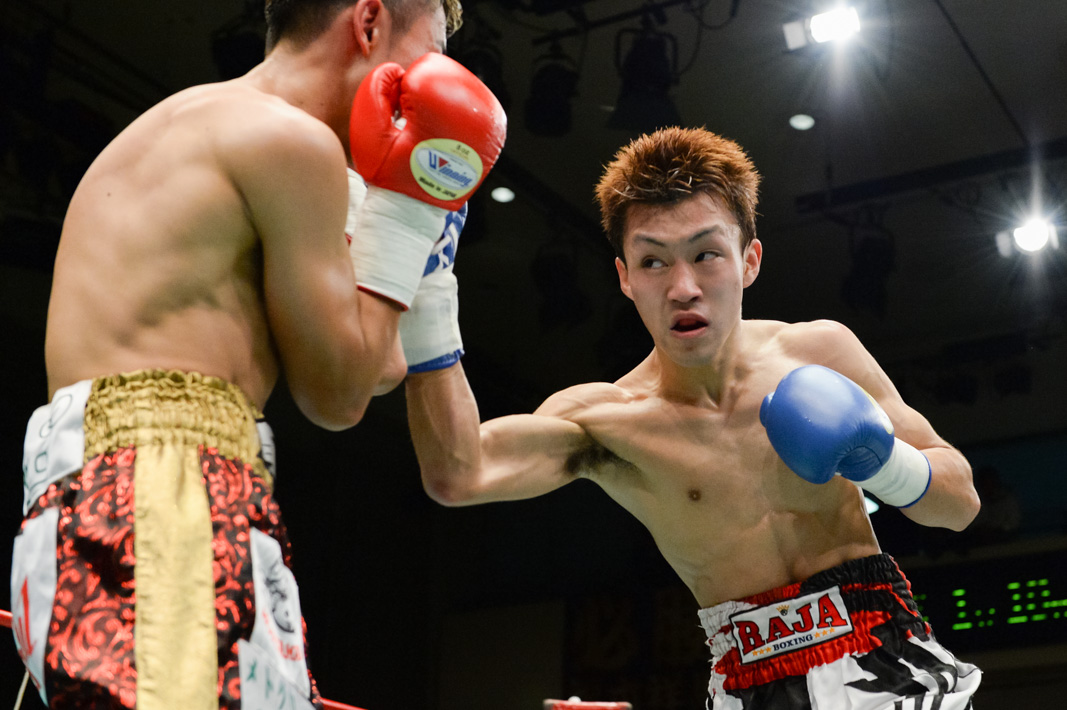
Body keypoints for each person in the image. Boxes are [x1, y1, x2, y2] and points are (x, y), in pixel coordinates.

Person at [11, 0, 504, 708]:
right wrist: (410, 213)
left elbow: (378, 365)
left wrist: (405, 245)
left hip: (110, 489)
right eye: (427, 55)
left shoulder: (195, 123)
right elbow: (338, 397)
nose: (430, 83)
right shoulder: (289, 143)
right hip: (165, 493)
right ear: (368, 22)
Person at [405, 126, 982, 708]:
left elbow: (960, 505)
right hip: (747, 685)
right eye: (653, 261)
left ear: (749, 260)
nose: (683, 288)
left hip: (886, 656)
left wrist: (883, 461)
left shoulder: (820, 351)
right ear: (625, 277)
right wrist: (426, 299)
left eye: (706, 254)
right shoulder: (604, 423)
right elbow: (459, 473)